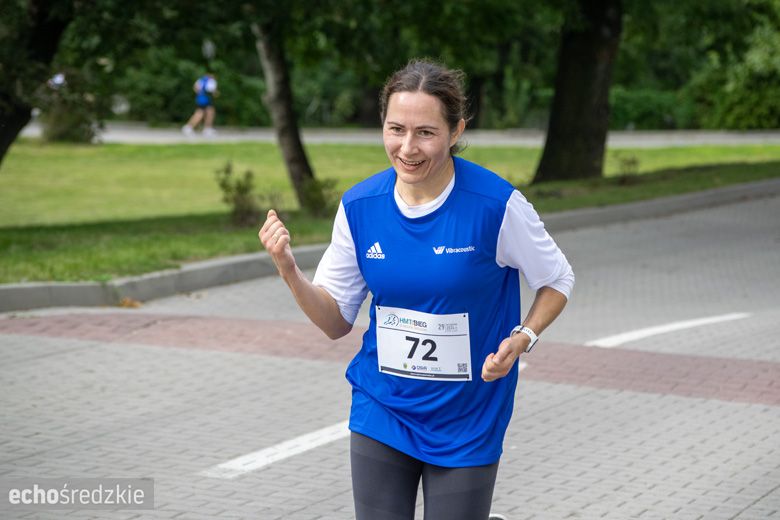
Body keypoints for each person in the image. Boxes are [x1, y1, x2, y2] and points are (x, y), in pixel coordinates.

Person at [258, 59, 574, 520]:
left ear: (456, 130)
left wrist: (524, 336)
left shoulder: (495, 205)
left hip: (468, 416)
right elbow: (334, 321)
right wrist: (289, 270)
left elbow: (557, 278)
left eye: (425, 132)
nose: (407, 148)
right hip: (383, 405)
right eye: (396, 129)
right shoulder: (361, 206)